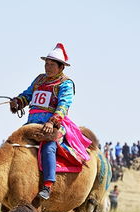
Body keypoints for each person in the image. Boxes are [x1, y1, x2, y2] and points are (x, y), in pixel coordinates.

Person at [9, 43, 91, 200]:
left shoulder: (66, 83)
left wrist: (52, 122)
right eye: (46, 63)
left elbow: (64, 105)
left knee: (48, 148)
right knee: (13, 145)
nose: (47, 66)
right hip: (31, 125)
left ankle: (47, 185)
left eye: (52, 64)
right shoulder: (39, 80)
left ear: (61, 67)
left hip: (52, 126)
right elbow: (27, 95)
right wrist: (18, 102)